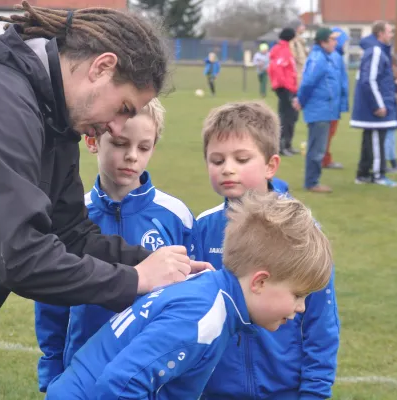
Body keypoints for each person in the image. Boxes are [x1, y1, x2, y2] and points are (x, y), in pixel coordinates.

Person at [0, 3, 210, 397]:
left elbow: (70, 232)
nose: (117, 126)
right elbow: (20, 255)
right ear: (101, 67)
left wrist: (154, 265)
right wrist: (136, 280)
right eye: (124, 107)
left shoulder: (54, 121)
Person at [45, 191, 334, 399]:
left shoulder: (209, 292)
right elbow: (119, 385)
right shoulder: (203, 317)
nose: (302, 307)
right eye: (298, 294)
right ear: (259, 282)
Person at [34, 98, 202, 392]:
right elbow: (51, 300)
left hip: (151, 373)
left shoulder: (177, 217)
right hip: (84, 370)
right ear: (92, 141)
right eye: (121, 143)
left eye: (143, 147)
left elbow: (192, 302)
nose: (132, 156)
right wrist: (52, 368)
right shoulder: (72, 217)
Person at [196, 101, 339, 399]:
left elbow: (320, 327)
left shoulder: (302, 232)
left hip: (284, 391)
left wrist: (314, 393)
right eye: (217, 160)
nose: (228, 169)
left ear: (271, 165)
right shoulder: (201, 229)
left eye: (241, 158)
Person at [293, 28, 343, 193]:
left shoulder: (325, 57)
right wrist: (300, 100)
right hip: (319, 109)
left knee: (318, 147)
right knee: (317, 148)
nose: (335, 43)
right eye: (332, 40)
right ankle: (312, 183)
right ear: (323, 42)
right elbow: (308, 83)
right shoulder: (318, 59)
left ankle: (313, 181)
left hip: (325, 109)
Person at [350, 20, 397, 187]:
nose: (392, 35)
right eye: (390, 32)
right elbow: (368, 80)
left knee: (369, 141)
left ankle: (363, 174)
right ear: (380, 33)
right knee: (377, 140)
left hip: (377, 105)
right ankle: (378, 175)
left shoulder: (377, 51)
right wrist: (378, 105)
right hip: (376, 109)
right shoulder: (376, 51)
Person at [322, 27, 350, 170]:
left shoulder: (335, 56)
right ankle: (324, 159)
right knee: (327, 132)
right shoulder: (334, 57)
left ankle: (323, 157)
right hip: (331, 103)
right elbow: (338, 82)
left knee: (328, 132)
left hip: (334, 101)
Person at [269, 28, 299, 156]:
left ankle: (287, 144)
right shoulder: (283, 50)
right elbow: (278, 69)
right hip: (286, 88)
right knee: (286, 117)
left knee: (291, 116)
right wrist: (287, 86)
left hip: (287, 87)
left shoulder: (281, 49)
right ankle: (281, 146)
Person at [289, 19, 308, 87]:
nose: (304, 27)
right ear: (296, 28)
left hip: (302, 75)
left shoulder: (300, 41)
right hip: (297, 78)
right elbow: (294, 59)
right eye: (302, 25)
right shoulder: (293, 41)